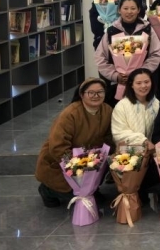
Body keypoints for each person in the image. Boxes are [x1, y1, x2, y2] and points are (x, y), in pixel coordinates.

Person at [35, 77, 113, 207]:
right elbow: (57, 147)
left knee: (92, 197)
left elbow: (109, 137)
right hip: (61, 161)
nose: (96, 96)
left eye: (100, 92)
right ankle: (47, 190)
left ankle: (91, 188)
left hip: (90, 158)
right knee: (75, 196)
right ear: (82, 94)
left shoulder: (107, 110)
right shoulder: (70, 114)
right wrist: (77, 166)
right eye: (91, 92)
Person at [94, 0, 160, 108]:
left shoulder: (147, 29)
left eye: (133, 8)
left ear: (138, 10)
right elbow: (100, 57)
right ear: (119, 10)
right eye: (125, 8)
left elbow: (156, 54)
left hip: (142, 83)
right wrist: (115, 75)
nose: (129, 12)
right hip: (118, 83)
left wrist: (142, 73)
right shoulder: (111, 31)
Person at [111, 68, 160, 149]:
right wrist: (143, 141)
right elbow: (118, 134)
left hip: (153, 150)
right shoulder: (122, 106)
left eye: (146, 82)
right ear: (131, 85)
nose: (143, 86)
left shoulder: (156, 103)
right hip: (129, 153)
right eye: (138, 83)